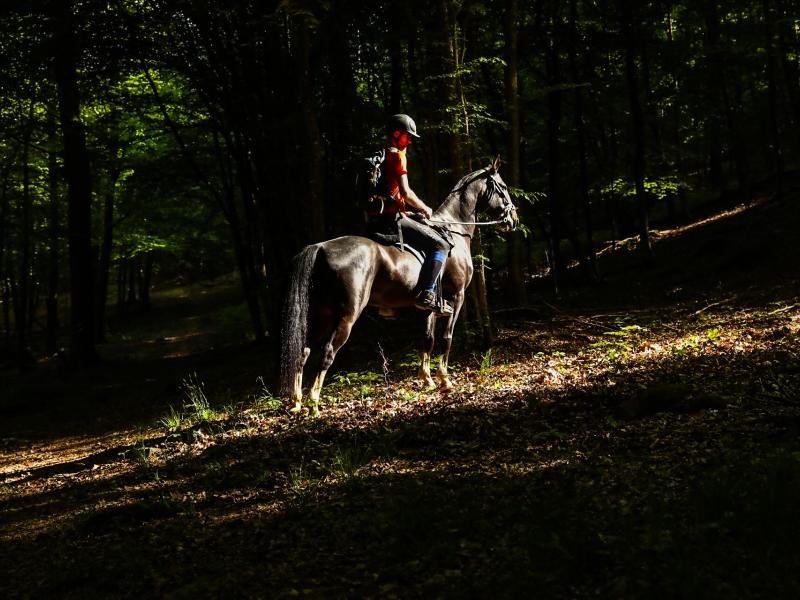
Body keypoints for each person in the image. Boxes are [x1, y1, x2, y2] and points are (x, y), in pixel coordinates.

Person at [368, 113, 452, 315]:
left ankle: (386, 304)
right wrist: (424, 207)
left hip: (376, 219)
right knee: (441, 245)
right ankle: (427, 294)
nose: (410, 141)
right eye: (408, 136)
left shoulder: (379, 155)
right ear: (397, 134)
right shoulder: (397, 156)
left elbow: (390, 194)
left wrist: (409, 213)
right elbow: (406, 193)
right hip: (392, 220)